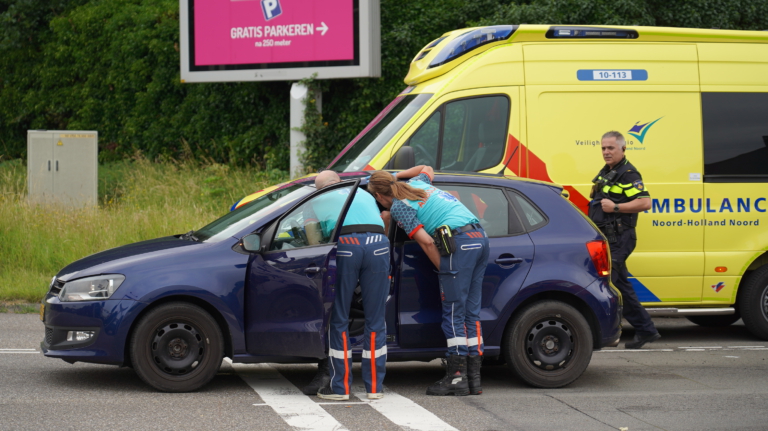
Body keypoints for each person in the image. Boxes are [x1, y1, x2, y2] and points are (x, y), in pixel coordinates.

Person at [368, 165, 489, 396]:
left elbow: (426, 242)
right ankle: (474, 379)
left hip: (460, 242)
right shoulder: (418, 183)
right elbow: (427, 168)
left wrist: (445, 270)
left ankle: (456, 378)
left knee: (453, 312)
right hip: (479, 237)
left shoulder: (399, 208)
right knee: (471, 312)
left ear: (380, 196)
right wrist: (397, 175)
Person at [302, 170, 390, 401]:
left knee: (338, 317)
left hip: (347, 244)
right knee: (376, 319)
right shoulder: (363, 193)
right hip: (379, 244)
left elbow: (314, 241)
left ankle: (340, 388)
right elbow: (383, 220)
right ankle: (375, 389)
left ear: (321, 187)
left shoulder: (318, 199)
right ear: (339, 182)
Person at [589, 131, 660, 349]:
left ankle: (644, 329)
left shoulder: (628, 173)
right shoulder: (608, 171)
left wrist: (616, 207)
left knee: (616, 282)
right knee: (618, 282)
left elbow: (645, 202)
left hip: (621, 237)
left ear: (623, 149)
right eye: (603, 148)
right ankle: (642, 329)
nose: (606, 152)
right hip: (609, 237)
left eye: (610, 148)